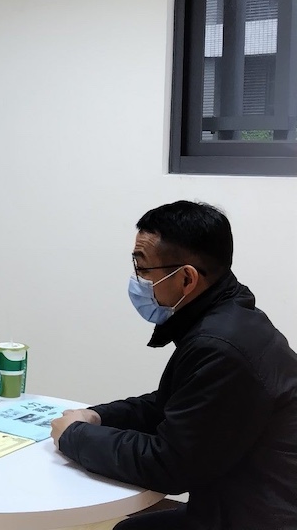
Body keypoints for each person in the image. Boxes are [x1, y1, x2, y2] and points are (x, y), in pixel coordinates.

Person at [50, 201, 297, 530]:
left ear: (186, 278)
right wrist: (97, 416)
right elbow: (174, 404)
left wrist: (75, 437)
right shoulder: (232, 318)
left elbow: (168, 465)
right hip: (243, 501)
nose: (137, 280)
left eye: (143, 269)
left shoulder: (221, 347)